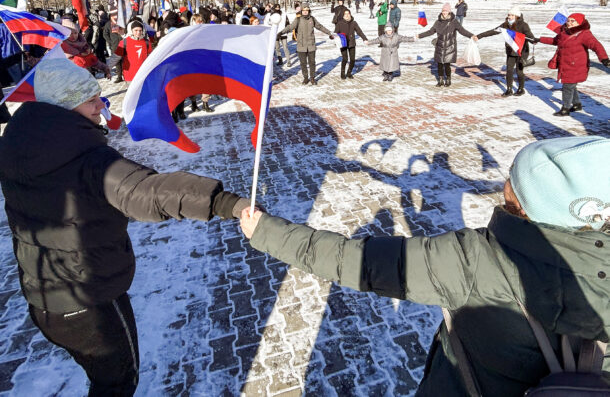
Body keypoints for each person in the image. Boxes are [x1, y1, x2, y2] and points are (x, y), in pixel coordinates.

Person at [239, 135, 610, 396]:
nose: (503, 180)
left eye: (512, 176)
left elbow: (353, 260)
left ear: (534, 200)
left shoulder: (476, 260)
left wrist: (264, 231)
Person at [0, 57, 249, 396]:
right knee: (117, 383)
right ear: (64, 105)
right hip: (89, 305)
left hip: (42, 301)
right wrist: (224, 202)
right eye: (90, 100)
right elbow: (148, 192)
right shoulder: (87, 160)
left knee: (101, 378)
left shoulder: (17, 146)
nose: (99, 107)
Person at [537, 12, 609, 116]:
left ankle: (565, 109)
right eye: (568, 20)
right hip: (565, 64)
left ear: (579, 23)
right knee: (570, 84)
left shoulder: (584, 34)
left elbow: (596, 45)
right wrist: (539, 39)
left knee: (567, 86)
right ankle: (576, 104)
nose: (569, 23)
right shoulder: (564, 32)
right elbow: (555, 40)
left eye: (572, 21)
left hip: (577, 65)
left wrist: (604, 59)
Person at [477, 6, 536, 97]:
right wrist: (479, 36)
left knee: (519, 71)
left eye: (512, 15)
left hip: (522, 51)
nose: (509, 17)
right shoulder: (505, 25)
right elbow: (494, 31)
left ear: (517, 16)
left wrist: (533, 40)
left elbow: (530, 36)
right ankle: (509, 89)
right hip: (511, 51)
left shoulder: (523, 25)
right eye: (509, 15)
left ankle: (521, 89)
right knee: (509, 70)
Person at [417, 3, 477, 87]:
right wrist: (420, 35)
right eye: (443, 11)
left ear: (449, 12)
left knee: (447, 65)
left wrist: (471, 35)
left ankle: (448, 79)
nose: (444, 12)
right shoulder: (438, 22)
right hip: (440, 46)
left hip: (450, 47)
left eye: (445, 11)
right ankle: (440, 80)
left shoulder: (454, 21)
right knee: (440, 65)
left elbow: (462, 30)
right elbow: (430, 32)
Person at [278, 4, 334, 85]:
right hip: (301, 45)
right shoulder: (298, 19)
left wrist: (329, 33)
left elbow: (320, 27)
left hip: (311, 45)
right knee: (303, 63)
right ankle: (305, 78)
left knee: (312, 62)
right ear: (301, 11)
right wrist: (281, 32)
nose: (305, 12)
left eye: (306, 10)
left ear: (309, 11)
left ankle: (312, 78)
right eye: (303, 10)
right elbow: (290, 27)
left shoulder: (312, 19)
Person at [333, 8, 368, 79]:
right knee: (345, 59)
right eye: (345, 14)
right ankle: (342, 73)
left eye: (348, 14)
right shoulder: (339, 23)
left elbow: (359, 32)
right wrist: (332, 37)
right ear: (343, 15)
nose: (347, 15)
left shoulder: (354, 23)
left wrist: (364, 38)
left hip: (351, 43)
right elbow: (335, 33)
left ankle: (349, 73)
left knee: (352, 60)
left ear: (350, 14)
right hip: (343, 44)